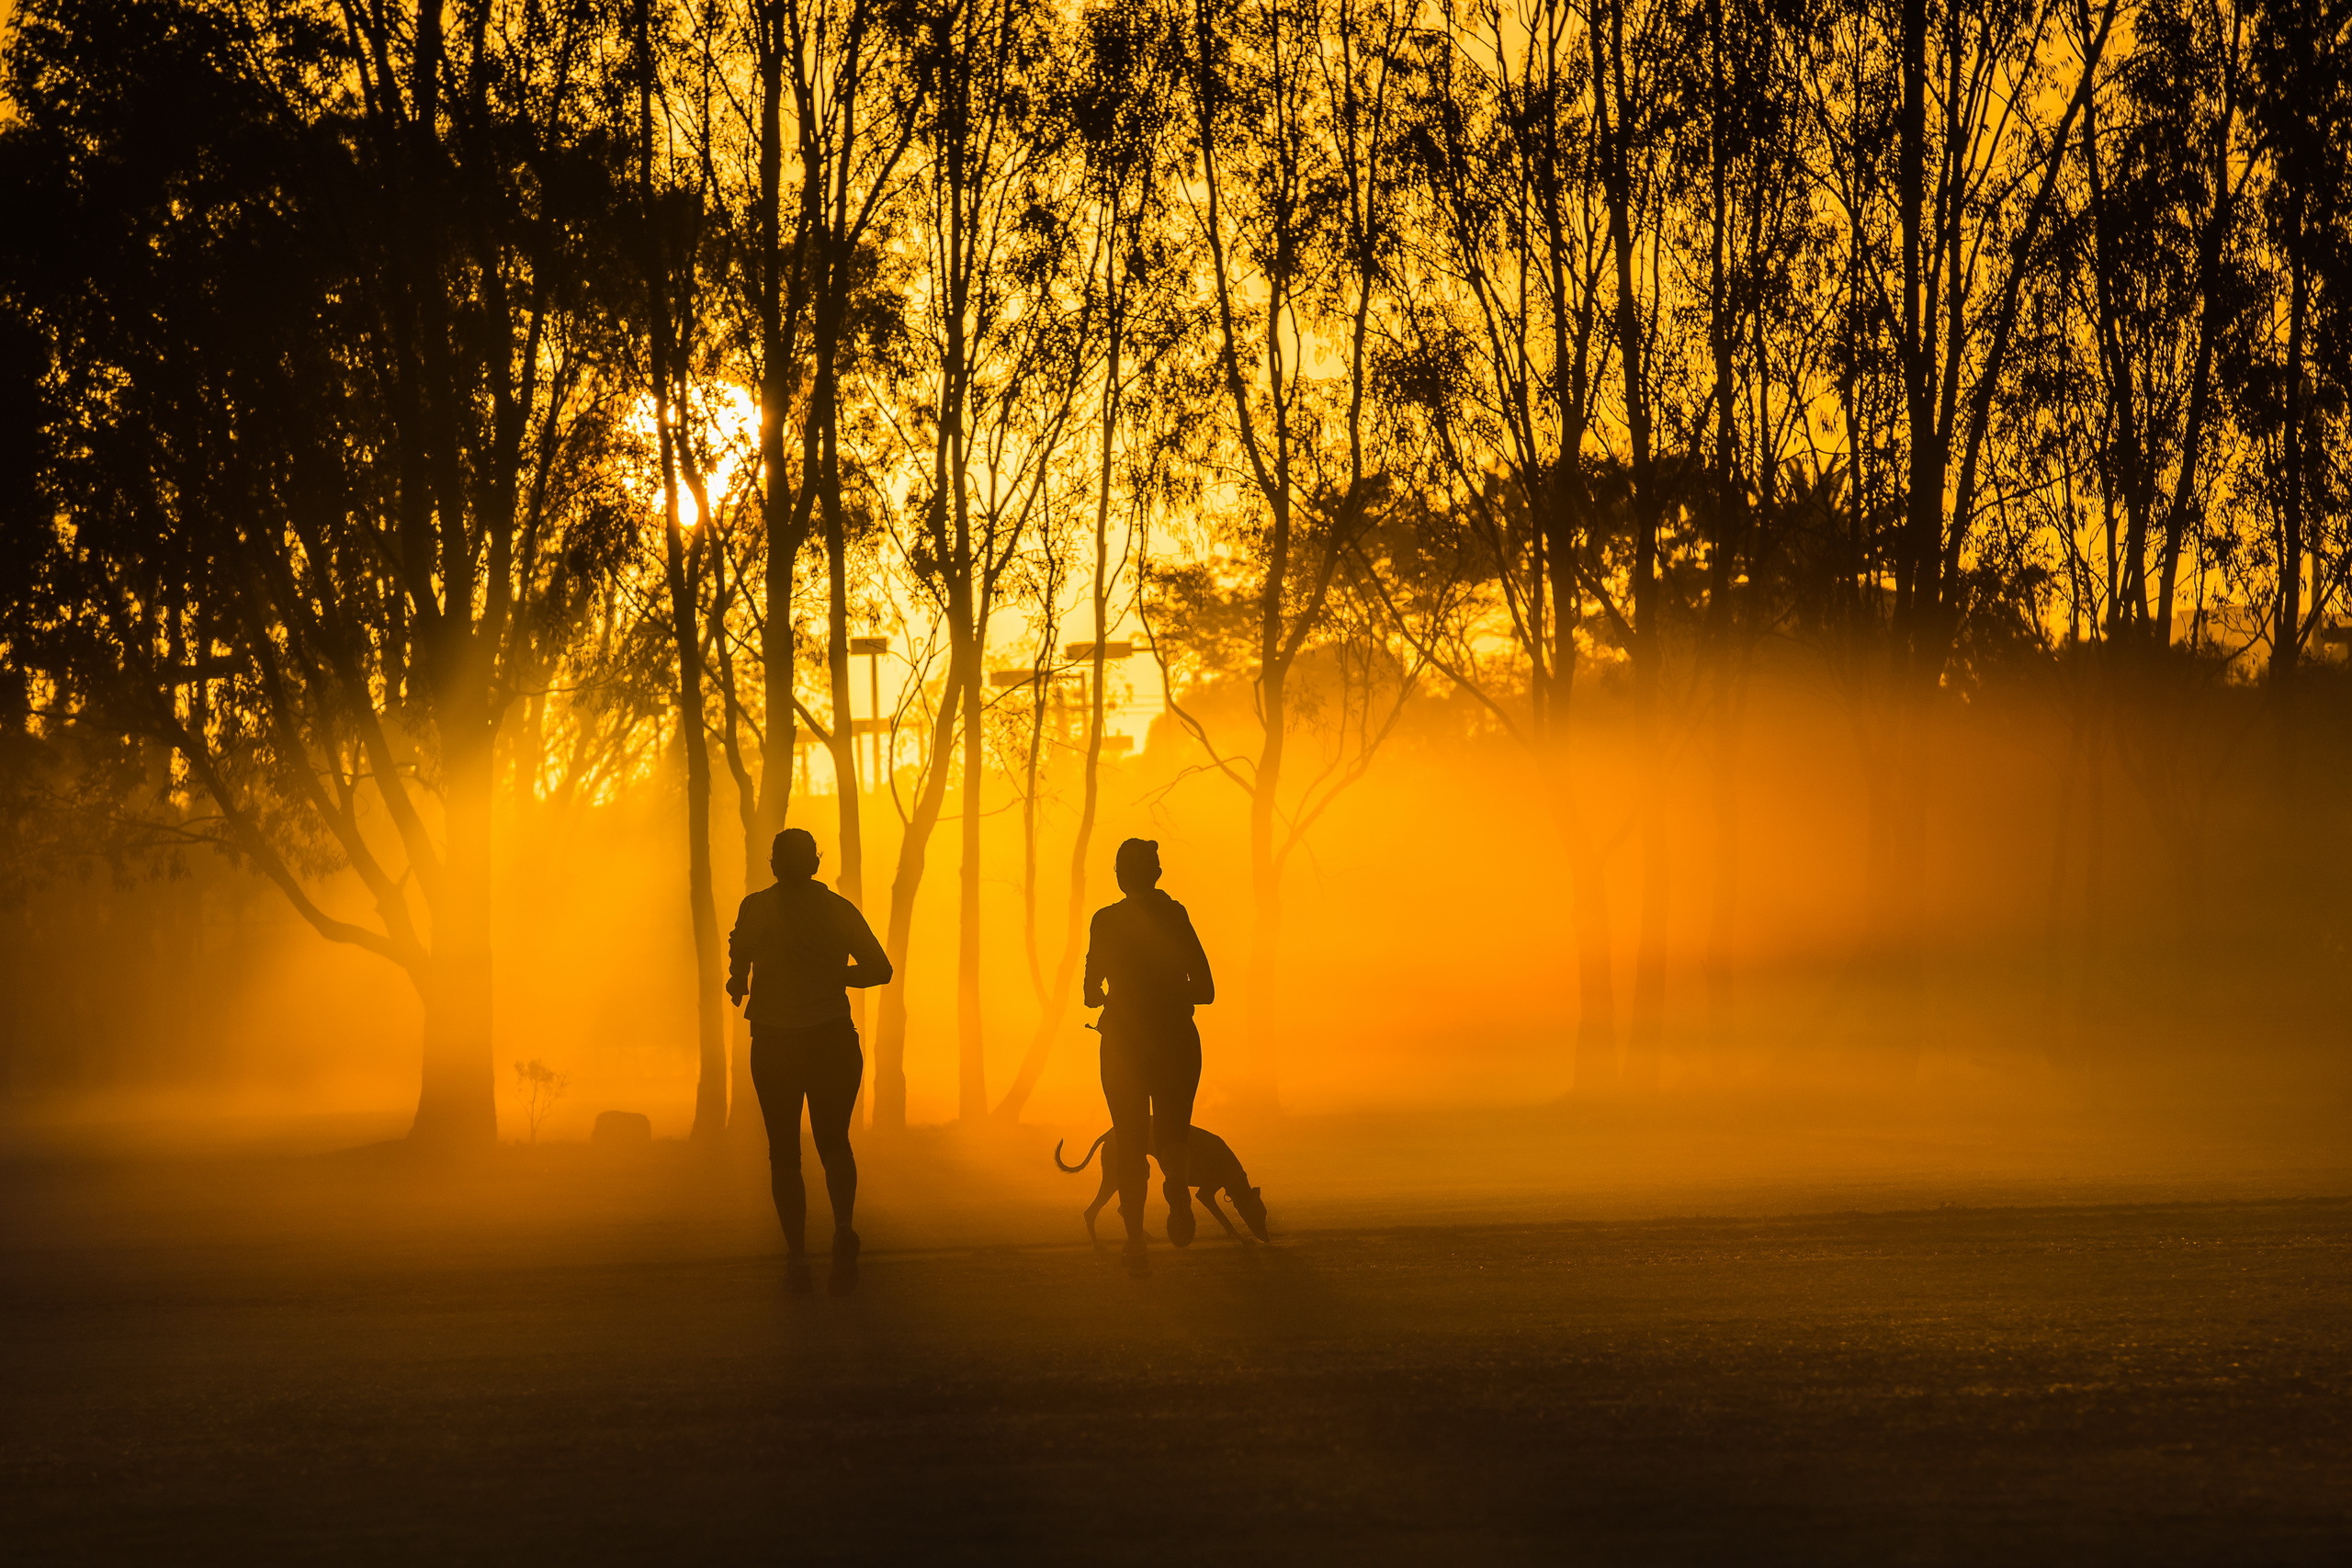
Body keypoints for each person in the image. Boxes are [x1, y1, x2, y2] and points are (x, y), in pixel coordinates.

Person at [728, 828, 891, 1296]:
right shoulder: (838, 910)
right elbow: (881, 970)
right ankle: (841, 1229)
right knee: (834, 1142)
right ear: (815, 864)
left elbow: (739, 953)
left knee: (784, 1152)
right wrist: (833, 973)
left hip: (776, 1042)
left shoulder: (755, 905)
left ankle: (797, 1258)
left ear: (775, 863)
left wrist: (739, 981)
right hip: (831, 1039)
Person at [1083, 838, 1216, 1275]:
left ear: (1120, 876)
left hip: (1122, 1043)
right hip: (1177, 1038)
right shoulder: (1175, 916)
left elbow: (1089, 993)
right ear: (1156, 874)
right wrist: (1174, 994)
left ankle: (1136, 1241)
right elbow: (1207, 989)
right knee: (1174, 1132)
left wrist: (1110, 996)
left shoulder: (1104, 921)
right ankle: (1176, 1182)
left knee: (1131, 1140)